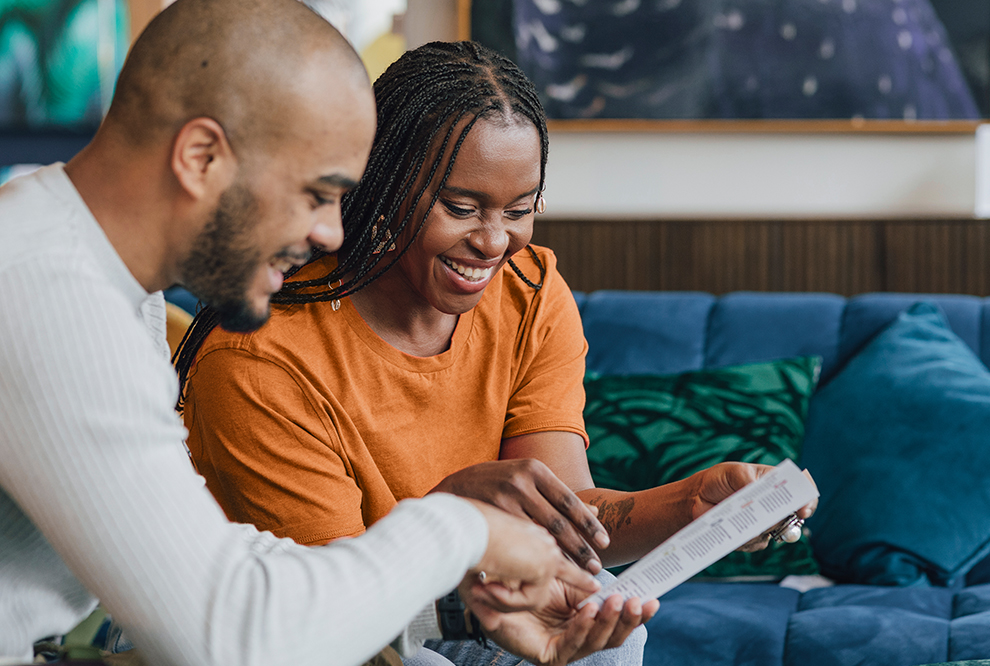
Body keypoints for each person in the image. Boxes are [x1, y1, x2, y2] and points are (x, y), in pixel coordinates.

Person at [0, 2, 656, 665]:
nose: (332, 234)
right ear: (201, 156)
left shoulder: (94, 280)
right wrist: (462, 525)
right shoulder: (46, 292)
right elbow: (225, 635)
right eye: (317, 193)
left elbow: (218, 569)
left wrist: (462, 607)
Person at [176, 41, 812, 664]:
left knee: (607, 636)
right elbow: (333, 612)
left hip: (455, 600)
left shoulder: (528, 292)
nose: (494, 241)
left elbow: (565, 520)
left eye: (520, 208)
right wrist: (450, 510)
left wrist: (695, 504)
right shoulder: (260, 355)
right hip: (285, 627)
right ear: (378, 181)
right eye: (461, 207)